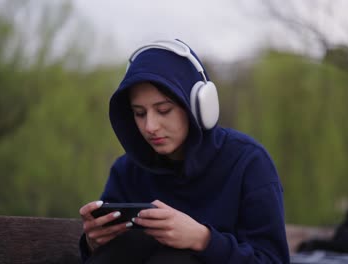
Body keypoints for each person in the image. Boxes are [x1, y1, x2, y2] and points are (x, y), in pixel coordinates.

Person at [79, 39, 290, 263]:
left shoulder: (249, 163)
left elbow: (272, 259)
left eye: (163, 110)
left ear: (198, 106)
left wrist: (204, 239)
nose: (150, 127)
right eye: (139, 113)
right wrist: (94, 243)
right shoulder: (126, 171)